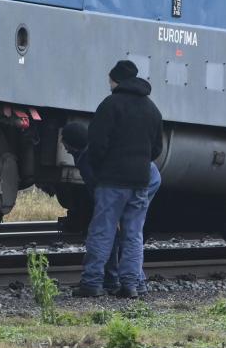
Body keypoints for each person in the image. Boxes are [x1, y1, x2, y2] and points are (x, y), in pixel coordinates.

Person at [74, 58, 163, 299]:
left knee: (102, 231)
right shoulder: (152, 109)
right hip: (140, 182)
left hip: (112, 182)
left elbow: (97, 144)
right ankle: (131, 285)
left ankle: (92, 283)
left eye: (110, 80)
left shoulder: (110, 105)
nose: (109, 84)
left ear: (117, 80)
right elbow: (156, 149)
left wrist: (102, 167)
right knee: (133, 234)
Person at [62, 121, 161, 296]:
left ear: (71, 144)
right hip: (144, 176)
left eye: (64, 143)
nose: (64, 147)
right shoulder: (89, 152)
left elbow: (97, 189)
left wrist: (110, 214)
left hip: (142, 180)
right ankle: (129, 282)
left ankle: (125, 280)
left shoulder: (87, 159)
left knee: (119, 231)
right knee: (127, 232)